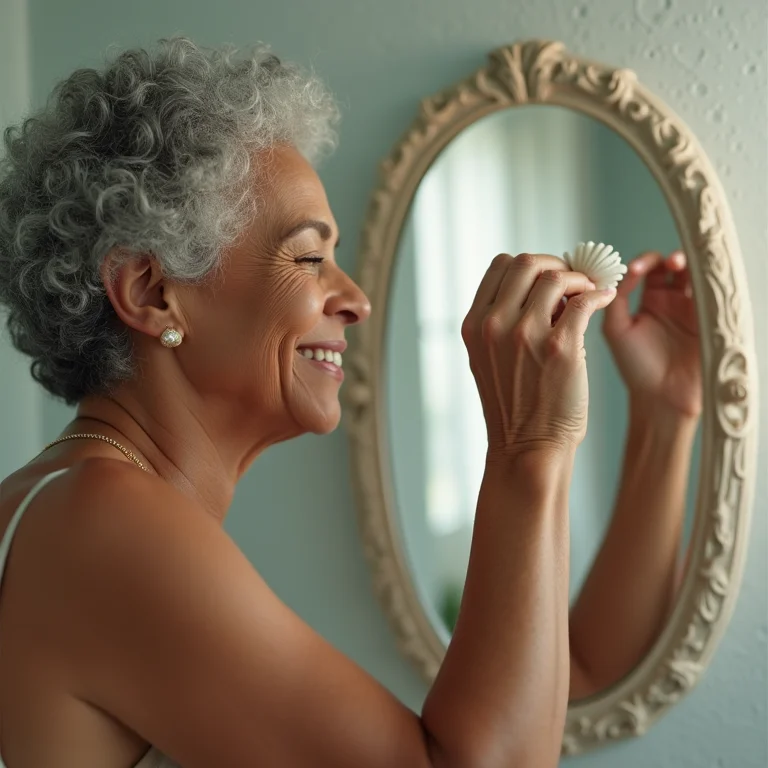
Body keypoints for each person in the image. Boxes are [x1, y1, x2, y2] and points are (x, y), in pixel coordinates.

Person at [0, 37, 696, 768]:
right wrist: (529, 449)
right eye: (309, 257)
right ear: (150, 292)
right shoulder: (104, 526)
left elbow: (575, 674)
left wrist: (665, 416)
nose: (356, 299)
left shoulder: (73, 512)